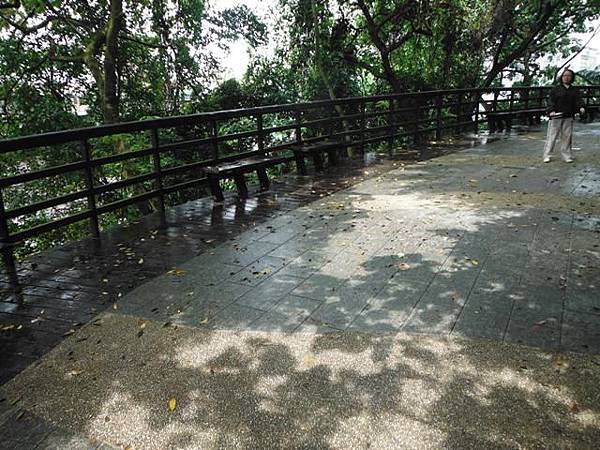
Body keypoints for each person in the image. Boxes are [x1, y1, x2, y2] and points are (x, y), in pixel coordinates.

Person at [542, 69, 585, 163]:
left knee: (567, 136)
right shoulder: (556, 89)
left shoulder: (574, 90)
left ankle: (566, 155)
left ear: (572, 77)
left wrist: (581, 107)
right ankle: (547, 155)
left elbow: (578, 101)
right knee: (552, 136)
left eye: (569, 75)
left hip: (568, 115)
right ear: (561, 77)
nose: (566, 77)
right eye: (565, 75)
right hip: (556, 116)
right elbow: (551, 101)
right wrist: (551, 110)